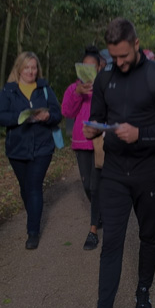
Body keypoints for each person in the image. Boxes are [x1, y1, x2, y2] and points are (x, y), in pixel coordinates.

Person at [83, 18, 155, 308]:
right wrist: (92, 131)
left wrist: (141, 135)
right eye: (113, 57)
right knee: (111, 241)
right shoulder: (104, 78)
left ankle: (142, 290)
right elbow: (97, 117)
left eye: (124, 55)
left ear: (137, 44)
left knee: (148, 235)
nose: (119, 62)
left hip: (149, 171)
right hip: (113, 170)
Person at [0, 51, 62, 249]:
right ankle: (33, 212)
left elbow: (58, 113)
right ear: (19, 69)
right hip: (17, 148)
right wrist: (19, 117)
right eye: (27, 68)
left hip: (42, 146)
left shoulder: (45, 88)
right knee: (25, 188)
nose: (31, 71)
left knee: (34, 187)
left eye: (34, 67)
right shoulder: (9, 90)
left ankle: (33, 231)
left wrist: (47, 117)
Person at [61, 46, 103, 250]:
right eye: (85, 66)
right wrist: (77, 93)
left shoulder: (106, 85)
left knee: (96, 187)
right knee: (87, 186)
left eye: (92, 66)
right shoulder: (74, 88)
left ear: (99, 67)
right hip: (81, 143)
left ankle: (93, 230)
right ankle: (100, 212)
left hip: (100, 143)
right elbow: (67, 111)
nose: (88, 69)